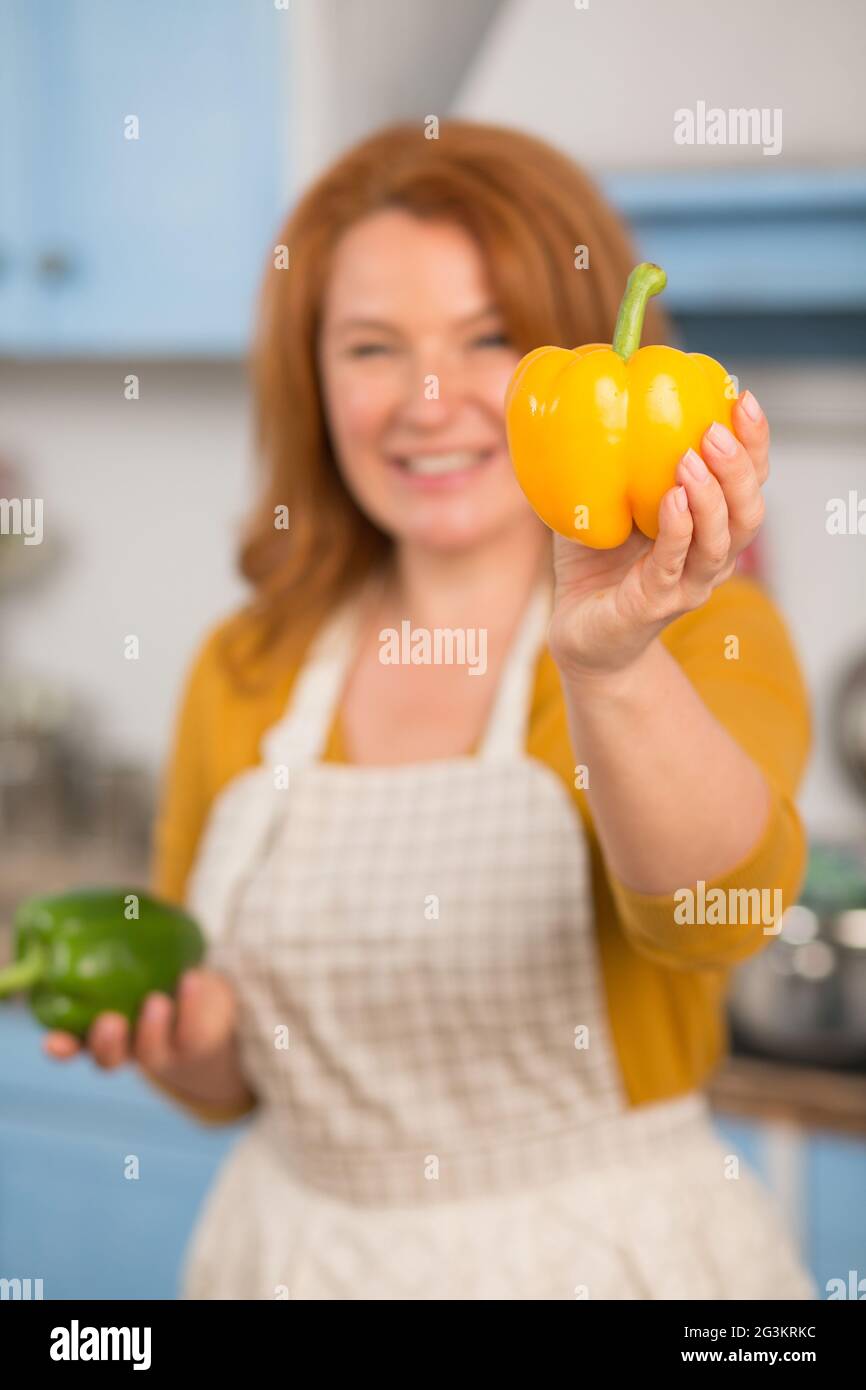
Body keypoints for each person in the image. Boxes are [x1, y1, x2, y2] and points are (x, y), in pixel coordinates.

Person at [46, 121, 815, 1300]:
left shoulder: (695, 633)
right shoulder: (243, 665)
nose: (428, 399)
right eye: (369, 346)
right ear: (311, 377)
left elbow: (718, 918)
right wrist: (190, 1046)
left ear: (583, 360)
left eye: (490, 337)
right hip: (300, 1259)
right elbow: (232, 1075)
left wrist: (608, 668)